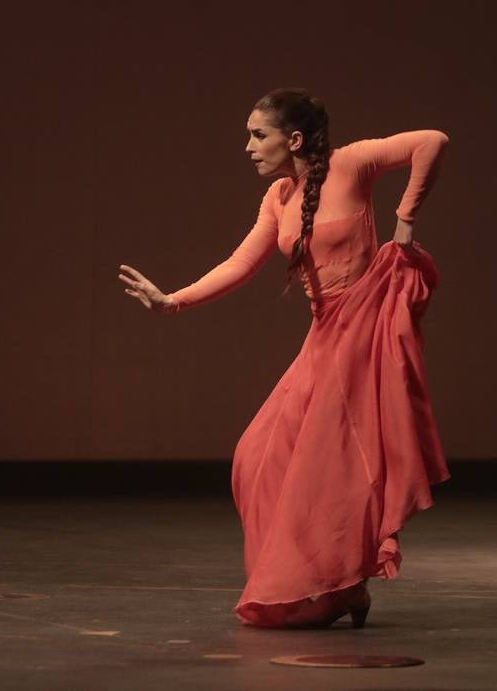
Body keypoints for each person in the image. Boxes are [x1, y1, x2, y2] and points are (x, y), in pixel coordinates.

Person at [118, 88, 449, 628]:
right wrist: (173, 300)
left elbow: (432, 142)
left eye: (258, 134)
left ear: (293, 139)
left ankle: (344, 583)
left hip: (362, 328)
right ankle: (341, 586)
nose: (248, 146)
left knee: (333, 467)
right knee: (257, 457)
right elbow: (240, 262)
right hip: (323, 338)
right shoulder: (278, 197)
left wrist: (405, 220)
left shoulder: (351, 162)